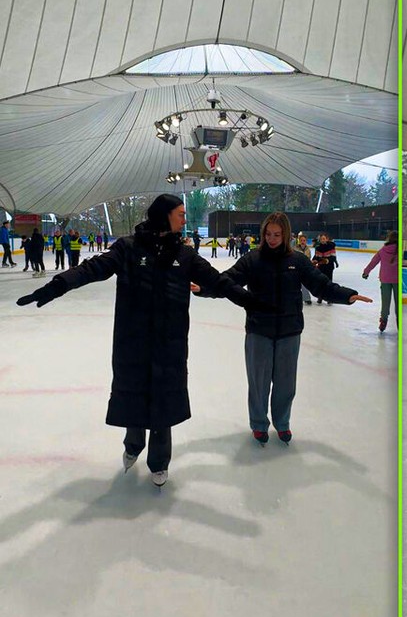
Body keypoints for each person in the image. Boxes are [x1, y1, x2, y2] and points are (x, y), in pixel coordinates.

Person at [16, 194, 268, 487]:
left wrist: (251, 302)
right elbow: (92, 268)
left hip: (169, 343)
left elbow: (220, 282)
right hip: (132, 341)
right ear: (165, 216)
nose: (185, 219)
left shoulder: (184, 255)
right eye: (181, 214)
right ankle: (133, 444)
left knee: (163, 403)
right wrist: (55, 287)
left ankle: (159, 462)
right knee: (133, 396)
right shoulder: (129, 248)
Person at [194, 212, 372, 444]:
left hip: (290, 330)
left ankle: (282, 423)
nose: (272, 239)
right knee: (259, 382)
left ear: (285, 234)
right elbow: (228, 281)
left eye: (277, 234)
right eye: (268, 234)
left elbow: (321, 285)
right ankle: (259, 423)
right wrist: (204, 288)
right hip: (259, 330)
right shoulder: (252, 259)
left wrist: (347, 295)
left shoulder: (297, 261)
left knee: (286, 383)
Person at [362, 231, 399, 331]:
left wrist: (366, 272)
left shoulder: (383, 250)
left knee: (385, 303)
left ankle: (383, 321)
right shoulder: (400, 251)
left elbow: (373, 262)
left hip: (385, 279)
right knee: (398, 303)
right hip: (398, 281)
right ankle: (399, 323)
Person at [312, 234, 338, 304]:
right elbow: (316, 256)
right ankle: (320, 297)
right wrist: (313, 260)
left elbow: (333, 257)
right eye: (321, 239)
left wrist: (326, 260)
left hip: (329, 267)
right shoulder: (318, 247)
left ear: (327, 239)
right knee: (320, 282)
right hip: (321, 267)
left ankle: (329, 298)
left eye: (324, 239)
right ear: (319, 240)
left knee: (329, 283)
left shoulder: (331, 246)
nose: (322, 240)